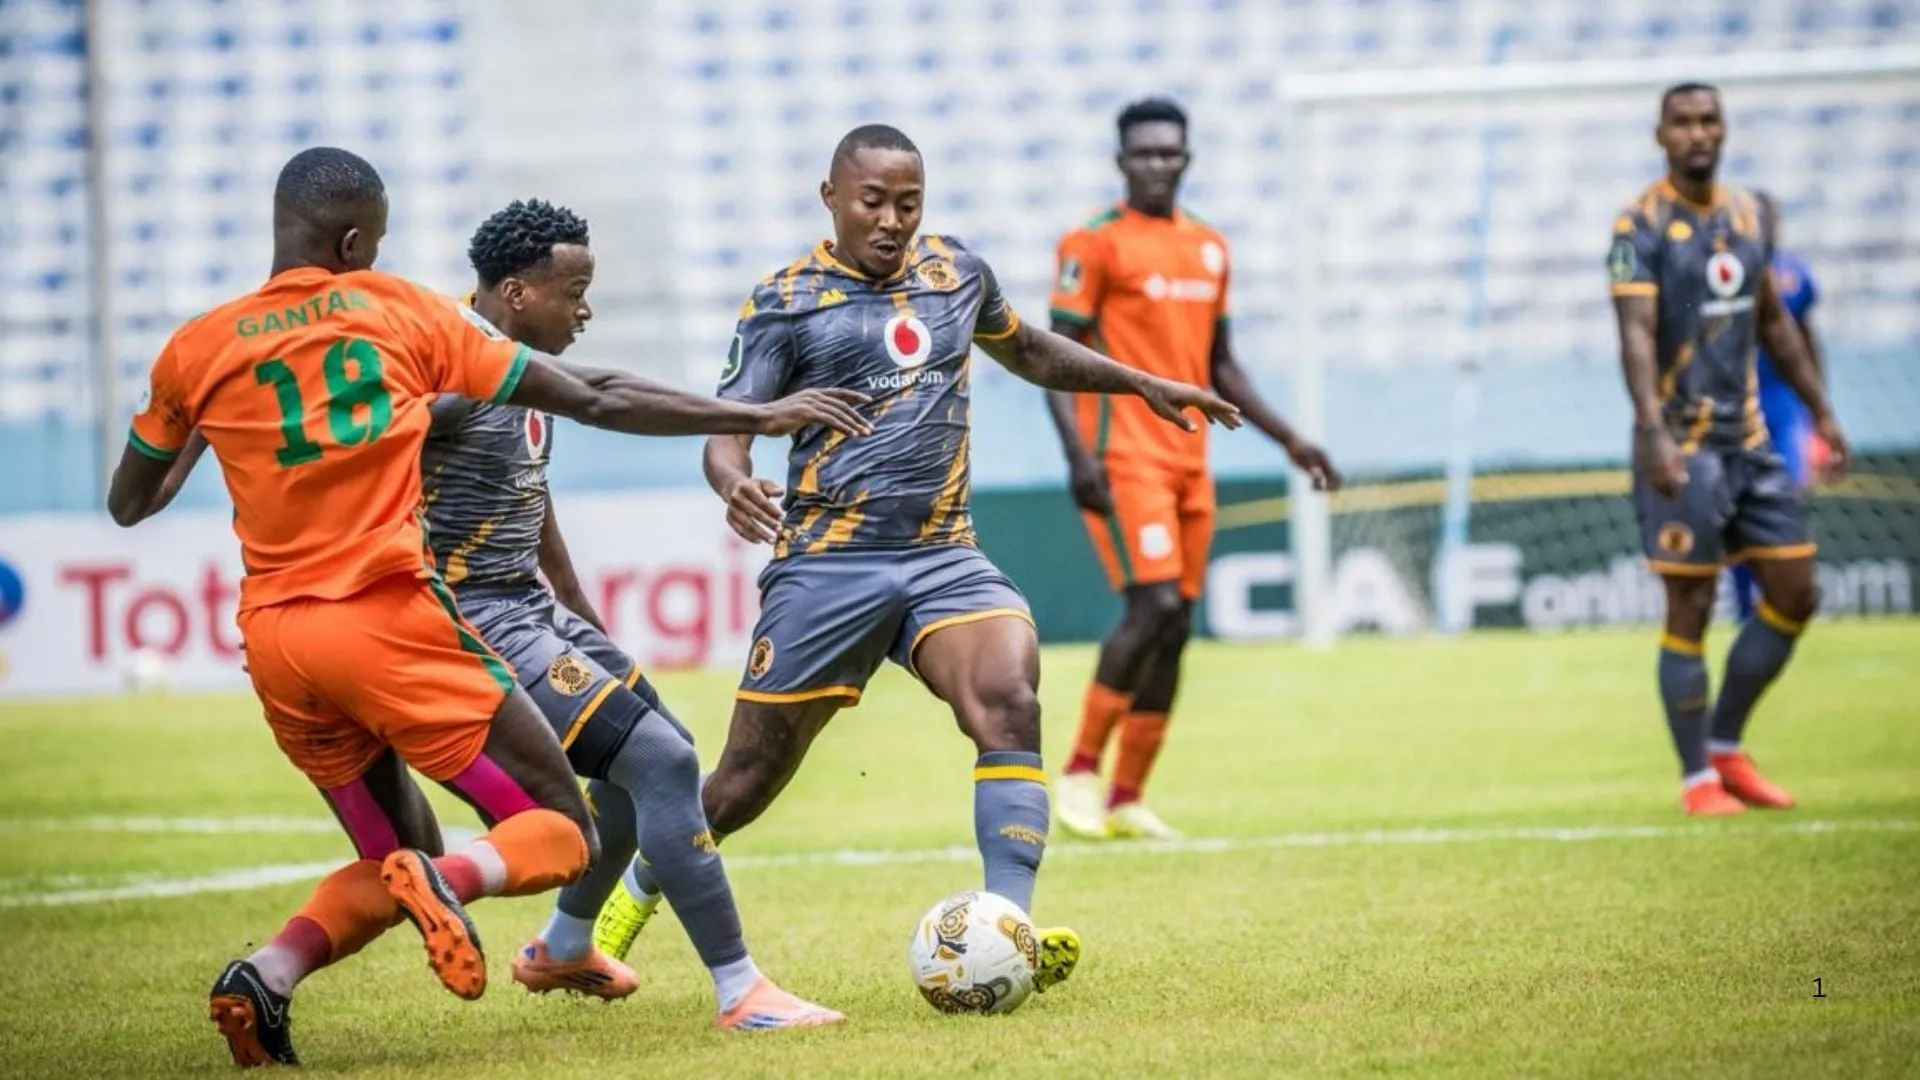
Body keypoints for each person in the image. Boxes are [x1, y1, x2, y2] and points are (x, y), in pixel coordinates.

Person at [106, 147, 866, 1067]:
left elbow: (130, 502)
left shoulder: (201, 346)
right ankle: (738, 989)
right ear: (355, 241)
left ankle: (271, 976)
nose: (585, 307)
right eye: (374, 245)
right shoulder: (408, 322)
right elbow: (588, 398)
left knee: (438, 840)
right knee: (575, 817)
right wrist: (755, 416)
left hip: (281, 642)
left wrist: (200, 415)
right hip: (414, 622)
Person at [587, 124, 1241, 992]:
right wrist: (731, 481)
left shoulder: (957, 275)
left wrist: (1141, 382)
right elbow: (729, 426)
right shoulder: (785, 299)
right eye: (873, 202)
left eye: (908, 203)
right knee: (745, 781)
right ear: (832, 198)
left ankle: (1010, 925)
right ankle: (631, 894)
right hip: (829, 567)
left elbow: (1032, 349)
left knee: (1009, 700)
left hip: (942, 555)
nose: (892, 220)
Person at [419, 198, 847, 1029]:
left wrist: (574, 608)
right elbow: (375, 450)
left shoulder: (517, 362)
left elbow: (524, 492)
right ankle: (741, 992)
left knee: (660, 755)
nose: (586, 308)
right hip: (473, 620)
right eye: (573, 289)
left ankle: (565, 946)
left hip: (529, 610)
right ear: (513, 290)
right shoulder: (452, 370)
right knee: (657, 761)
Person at [1043, 97, 1340, 841]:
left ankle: (1126, 797)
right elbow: (1053, 358)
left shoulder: (1209, 246)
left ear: (1186, 159)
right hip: (1123, 455)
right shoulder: (1094, 243)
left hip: (1189, 461)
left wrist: (1291, 440)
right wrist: (1078, 457)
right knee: (1155, 608)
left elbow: (1220, 364)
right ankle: (1079, 770)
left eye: (1169, 153)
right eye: (1142, 153)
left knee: (1178, 627)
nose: (1156, 164)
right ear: (1121, 161)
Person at [1607, 86, 1850, 816]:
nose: (1698, 133)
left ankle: (1726, 747)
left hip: (1751, 444)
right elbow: (1636, 333)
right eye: (1683, 122)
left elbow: (1776, 323)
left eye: (1709, 120)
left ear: (1724, 129)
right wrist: (1652, 429)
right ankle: (1695, 782)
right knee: (1693, 600)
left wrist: (1821, 412)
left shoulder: (1751, 216)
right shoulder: (1638, 224)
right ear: (1660, 134)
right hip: (1682, 448)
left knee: (1796, 592)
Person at [1729, 190, 1828, 622]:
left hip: (1783, 407)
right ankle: (1744, 611)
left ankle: (1777, 606)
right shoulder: (1723, 273)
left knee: (1782, 508)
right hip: (1732, 410)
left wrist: (1819, 413)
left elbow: (1805, 341)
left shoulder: (1793, 277)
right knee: (1732, 516)